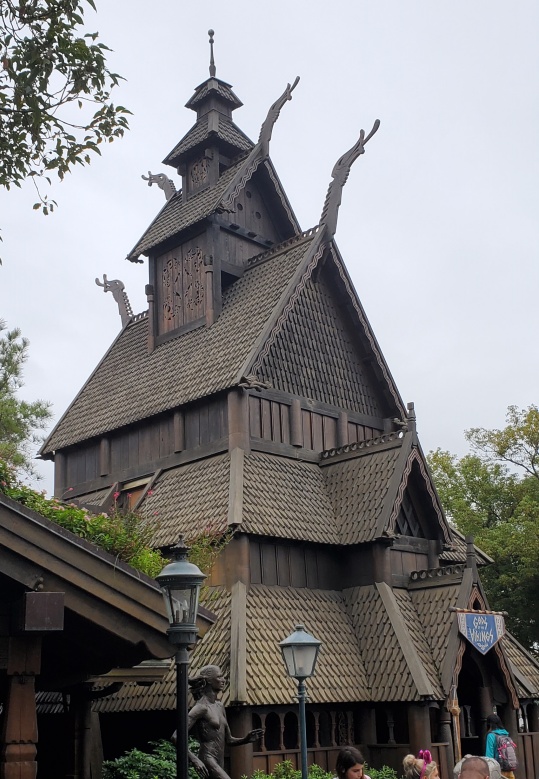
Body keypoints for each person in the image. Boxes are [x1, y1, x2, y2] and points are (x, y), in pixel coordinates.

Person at [173, 665, 264, 779]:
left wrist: (246, 739)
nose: (223, 680)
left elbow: (229, 740)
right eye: (219, 677)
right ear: (209, 681)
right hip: (207, 758)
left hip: (219, 759)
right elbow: (176, 736)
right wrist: (194, 760)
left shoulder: (220, 706)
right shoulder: (201, 707)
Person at [485, 714, 517, 779]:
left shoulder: (491, 735)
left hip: (498, 770)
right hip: (509, 768)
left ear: (489, 724)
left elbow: (489, 756)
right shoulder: (505, 734)